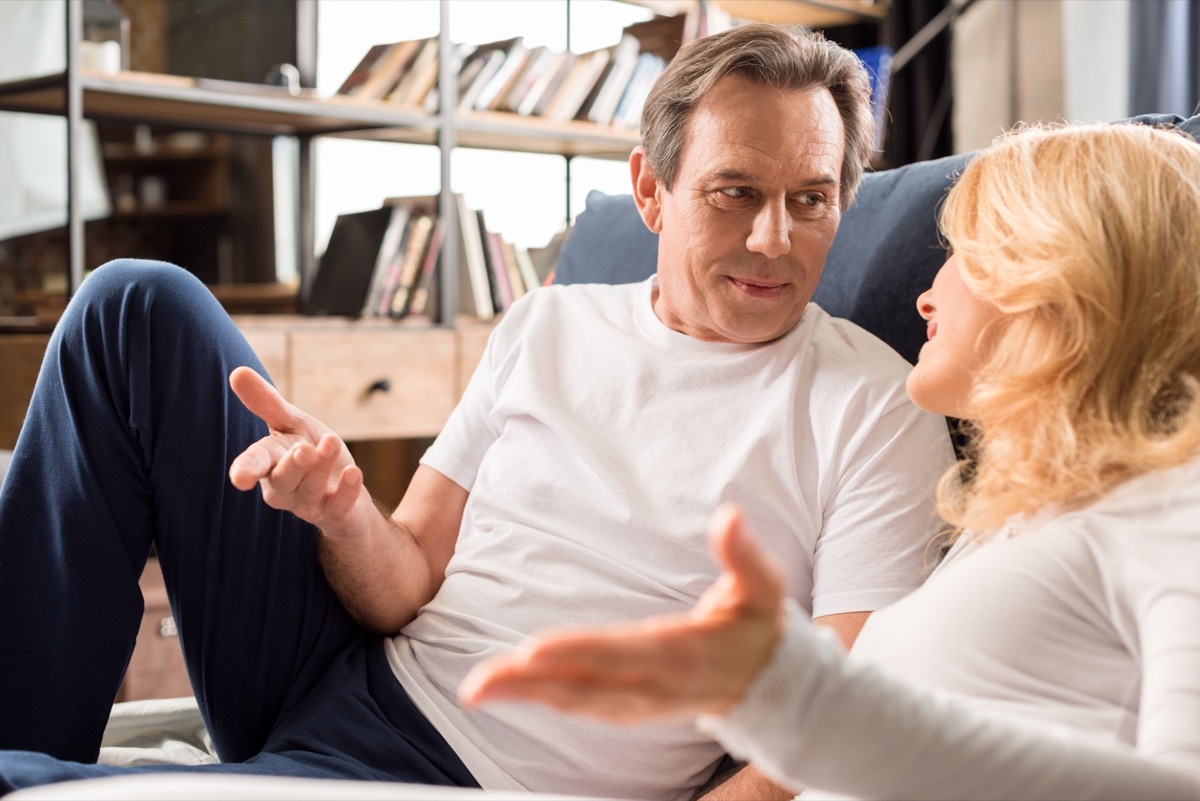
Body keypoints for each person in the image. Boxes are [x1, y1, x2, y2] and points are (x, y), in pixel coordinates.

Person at [0, 23, 953, 801]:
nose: (774, 238)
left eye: (811, 200)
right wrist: (343, 511)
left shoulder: (872, 405)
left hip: (473, 775)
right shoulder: (546, 321)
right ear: (651, 192)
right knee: (134, 304)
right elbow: (406, 574)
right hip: (349, 667)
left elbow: (834, 724)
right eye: (735, 192)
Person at [460, 122, 1200, 800]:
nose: (924, 293)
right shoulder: (1031, 512)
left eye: (966, 257)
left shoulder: (1176, 508)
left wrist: (801, 707)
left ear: (1061, 281)